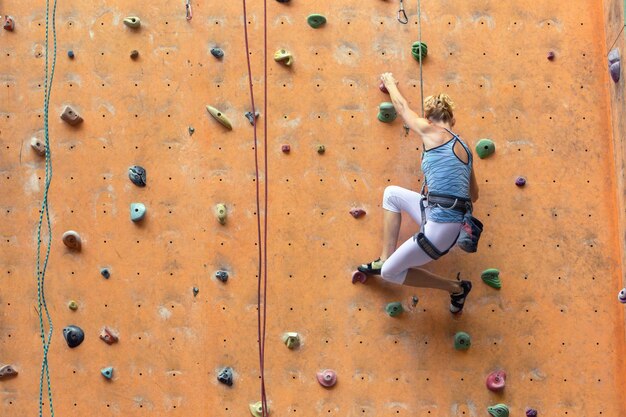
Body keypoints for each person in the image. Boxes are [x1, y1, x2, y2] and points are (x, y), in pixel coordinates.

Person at [359, 72, 479, 314]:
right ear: (452, 119)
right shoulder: (465, 148)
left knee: (390, 273)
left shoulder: (431, 130)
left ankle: (456, 288)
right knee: (391, 193)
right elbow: (474, 195)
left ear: (428, 118)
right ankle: (384, 255)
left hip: (440, 231)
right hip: (441, 217)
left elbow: (402, 108)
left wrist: (390, 82)